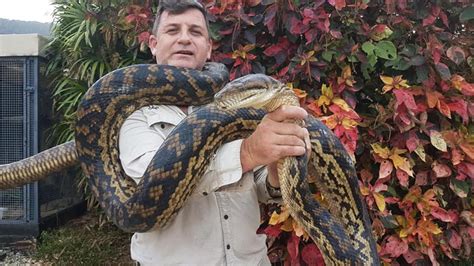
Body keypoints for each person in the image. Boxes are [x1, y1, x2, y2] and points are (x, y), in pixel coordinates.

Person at [119, 0, 310, 265]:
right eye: (173, 30)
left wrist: (277, 167)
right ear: (153, 43)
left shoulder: (236, 105)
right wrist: (248, 151)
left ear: (208, 48)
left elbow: (261, 190)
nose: (184, 39)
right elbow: (154, 184)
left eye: (195, 32)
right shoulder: (131, 114)